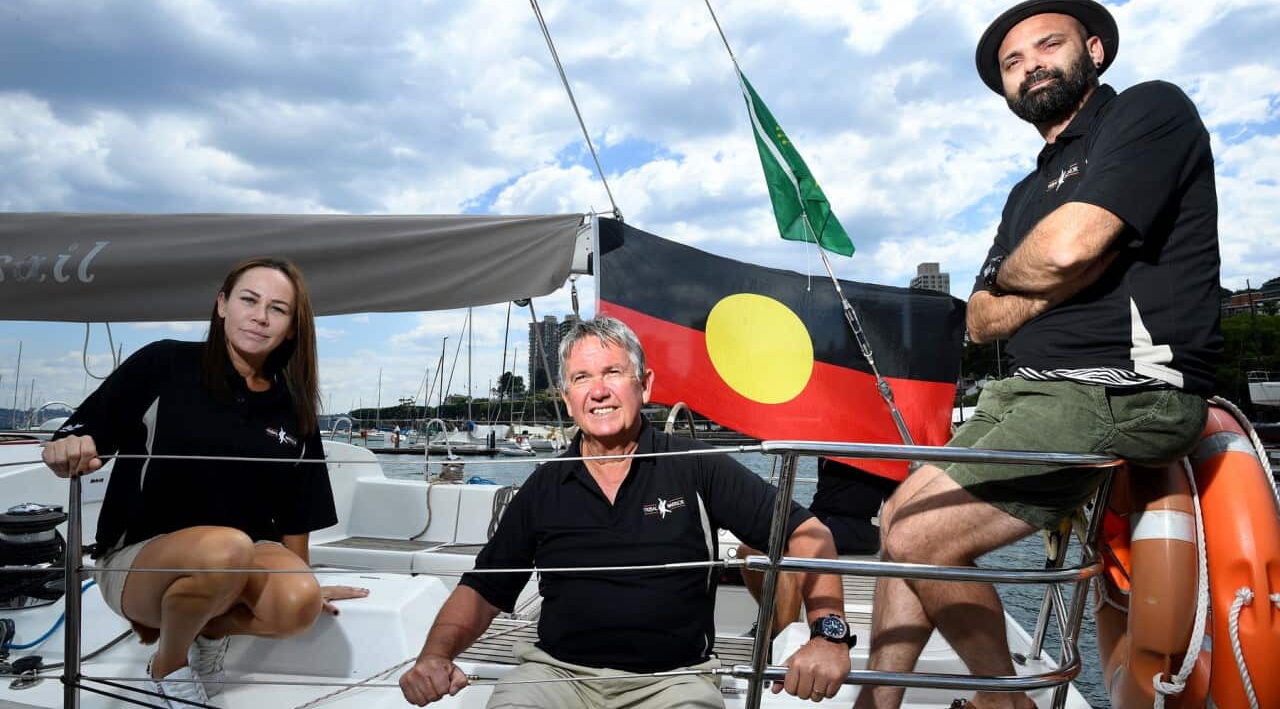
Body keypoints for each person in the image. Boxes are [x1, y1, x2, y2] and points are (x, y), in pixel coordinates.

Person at [854, 0, 1221, 709]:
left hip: (1123, 388)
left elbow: (1067, 248)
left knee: (924, 537)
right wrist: (1064, 270)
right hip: (1026, 391)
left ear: (1094, 50)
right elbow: (984, 319)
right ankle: (880, 699)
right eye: (1012, 64)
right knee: (898, 514)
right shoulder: (1027, 190)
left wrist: (1065, 260)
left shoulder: (1148, 112)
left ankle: (1004, 702)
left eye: (1046, 47)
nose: (1030, 68)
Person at [399, 316, 853, 707]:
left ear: (645, 385)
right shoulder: (544, 486)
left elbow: (809, 533)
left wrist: (828, 636)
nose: (598, 391)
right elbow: (483, 589)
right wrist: (435, 656)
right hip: (557, 676)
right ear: (566, 397)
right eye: (581, 379)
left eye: (613, 372)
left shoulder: (696, 467)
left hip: (673, 682)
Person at [43, 258, 367, 708]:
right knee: (226, 548)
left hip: (245, 554)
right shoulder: (164, 363)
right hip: (140, 559)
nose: (260, 316)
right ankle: (169, 665)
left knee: (297, 605)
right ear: (222, 305)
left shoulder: (295, 409)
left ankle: (210, 626)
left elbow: (299, 510)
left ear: (292, 328)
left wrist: (303, 581)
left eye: (278, 309)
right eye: (248, 300)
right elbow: (79, 436)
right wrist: (65, 449)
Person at [739, 458, 897, 638]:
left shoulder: (879, 453)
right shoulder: (829, 447)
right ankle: (772, 624)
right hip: (818, 519)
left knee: (790, 558)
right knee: (747, 551)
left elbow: (895, 504)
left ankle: (782, 638)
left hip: (854, 529)